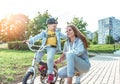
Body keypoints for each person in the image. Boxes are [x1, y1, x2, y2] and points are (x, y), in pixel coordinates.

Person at [26, 18, 67, 83]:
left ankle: (50, 74)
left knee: (50, 58)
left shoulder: (57, 32)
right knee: (37, 58)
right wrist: (30, 41)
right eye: (54, 26)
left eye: (56, 26)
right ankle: (46, 65)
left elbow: (65, 36)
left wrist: (71, 37)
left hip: (52, 47)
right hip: (44, 47)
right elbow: (37, 36)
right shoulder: (44, 32)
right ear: (48, 25)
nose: (55, 27)